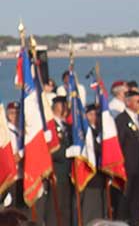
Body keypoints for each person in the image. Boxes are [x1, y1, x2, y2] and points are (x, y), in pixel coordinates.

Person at [116, 88, 139, 226]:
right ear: (128, 102)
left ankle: (136, 220)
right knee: (126, 196)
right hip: (128, 165)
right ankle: (122, 221)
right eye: (137, 101)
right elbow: (119, 142)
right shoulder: (121, 120)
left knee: (138, 196)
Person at [42, 96, 72, 226]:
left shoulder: (66, 126)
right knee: (54, 209)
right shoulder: (50, 125)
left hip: (68, 174)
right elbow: (48, 150)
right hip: (56, 172)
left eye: (65, 104)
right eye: (61, 104)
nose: (65, 107)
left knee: (65, 209)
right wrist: (65, 153)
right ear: (55, 106)